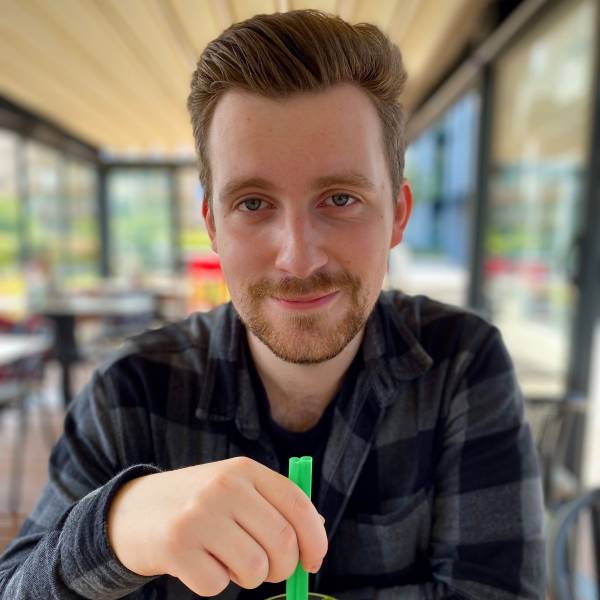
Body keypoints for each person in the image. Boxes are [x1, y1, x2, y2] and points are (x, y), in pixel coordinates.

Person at [0, 9, 545, 599]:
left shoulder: (462, 363)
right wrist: (116, 528)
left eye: (340, 198)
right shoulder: (130, 390)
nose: (298, 259)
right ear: (213, 226)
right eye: (253, 204)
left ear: (398, 214)